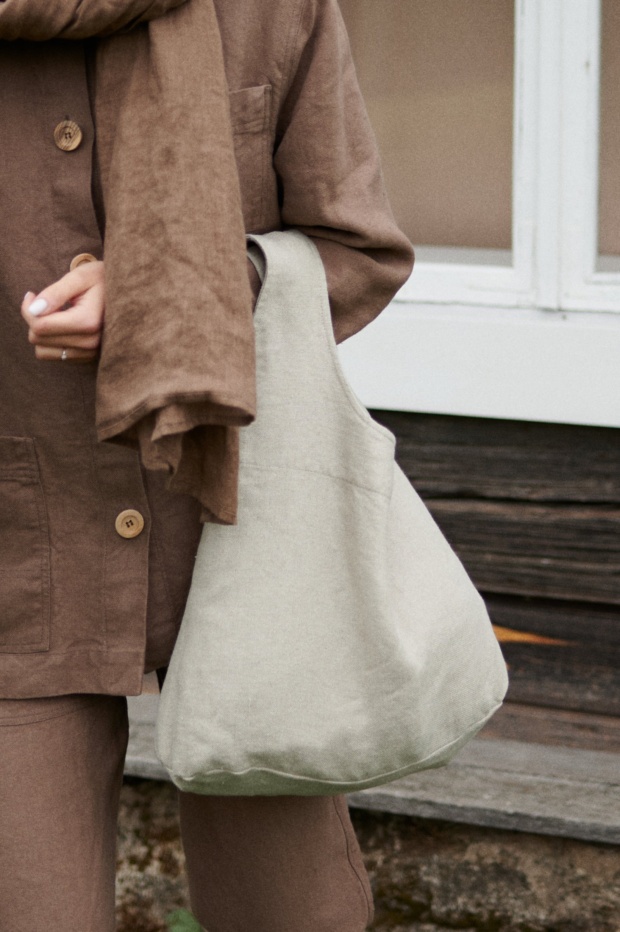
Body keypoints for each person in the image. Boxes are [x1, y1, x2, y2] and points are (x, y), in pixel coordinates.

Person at [0, 1, 414, 930]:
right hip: (16, 556)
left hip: (240, 537)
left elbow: (359, 248)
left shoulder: (272, 9)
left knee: (293, 913)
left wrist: (182, 290)